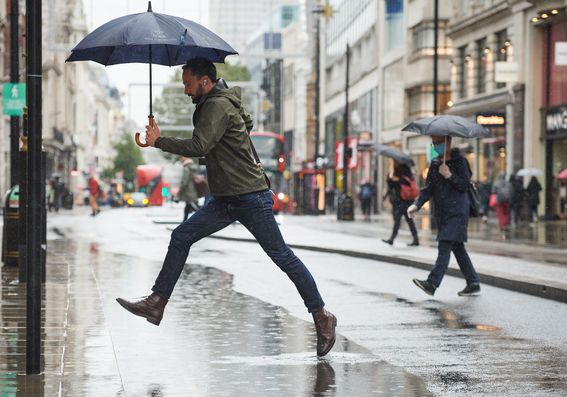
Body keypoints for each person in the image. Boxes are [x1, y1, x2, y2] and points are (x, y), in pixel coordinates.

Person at [116, 57, 337, 357]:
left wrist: (158, 141)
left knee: (282, 256)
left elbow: (199, 147)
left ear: (205, 82)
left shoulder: (217, 106)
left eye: (188, 84)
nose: (185, 90)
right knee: (181, 236)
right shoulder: (213, 104)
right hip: (226, 199)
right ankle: (157, 304)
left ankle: (322, 317)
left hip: (249, 197)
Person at [407, 136, 481, 296]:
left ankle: (432, 283)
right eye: (434, 143)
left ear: (448, 142)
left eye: (439, 143)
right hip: (443, 213)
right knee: (457, 247)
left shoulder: (460, 161)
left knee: (445, 244)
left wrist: (449, 175)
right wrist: (416, 204)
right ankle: (473, 282)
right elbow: (428, 188)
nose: (436, 146)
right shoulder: (435, 164)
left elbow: (463, 185)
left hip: (458, 211)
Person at [382, 164, 419, 246]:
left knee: (398, 220)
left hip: (403, 203)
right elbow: (392, 186)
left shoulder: (402, 178)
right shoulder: (408, 177)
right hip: (408, 202)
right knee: (409, 221)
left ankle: (392, 238)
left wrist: (390, 179)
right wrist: (390, 179)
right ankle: (416, 239)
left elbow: (393, 186)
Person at [178, 156, 200, 222]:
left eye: (181, 157)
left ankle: (203, 219)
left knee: (193, 206)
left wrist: (180, 189)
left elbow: (184, 181)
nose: (180, 159)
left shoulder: (186, 167)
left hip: (188, 190)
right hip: (193, 189)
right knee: (188, 206)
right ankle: (184, 221)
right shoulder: (194, 166)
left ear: (185, 158)